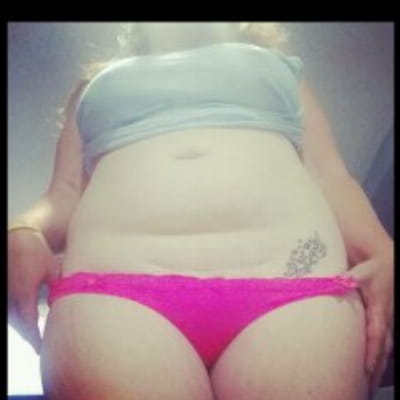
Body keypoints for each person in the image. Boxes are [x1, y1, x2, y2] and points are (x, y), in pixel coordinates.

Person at [8, 22, 393, 400]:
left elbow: (330, 175)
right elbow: (64, 194)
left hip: (295, 284)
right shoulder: (96, 87)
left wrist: (382, 248)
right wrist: (24, 228)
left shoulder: (277, 68)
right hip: (115, 291)